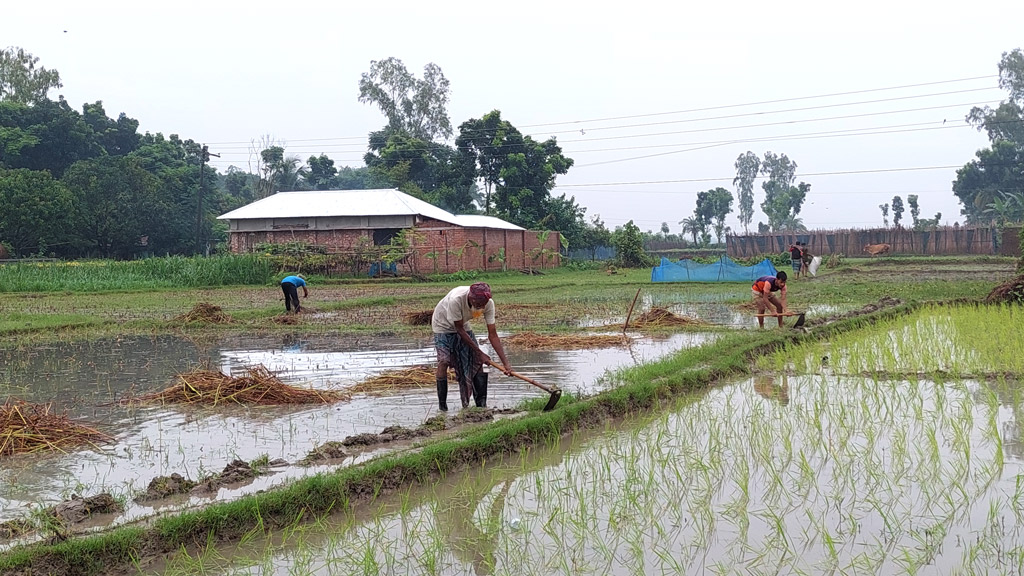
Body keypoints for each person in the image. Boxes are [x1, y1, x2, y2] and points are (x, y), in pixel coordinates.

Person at [431, 282, 511, 411]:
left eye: (483, 304)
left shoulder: (488, 304)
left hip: (463, 323)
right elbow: (459, 330)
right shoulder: (456, 300)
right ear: (470, 297)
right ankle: (443, 407)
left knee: (476, 362)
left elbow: (493, 335)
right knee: (444, 360)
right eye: (478, 303)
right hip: (442, 324)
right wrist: (480, 353)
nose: (480, 307)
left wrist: (506, 364)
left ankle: (481, 406)